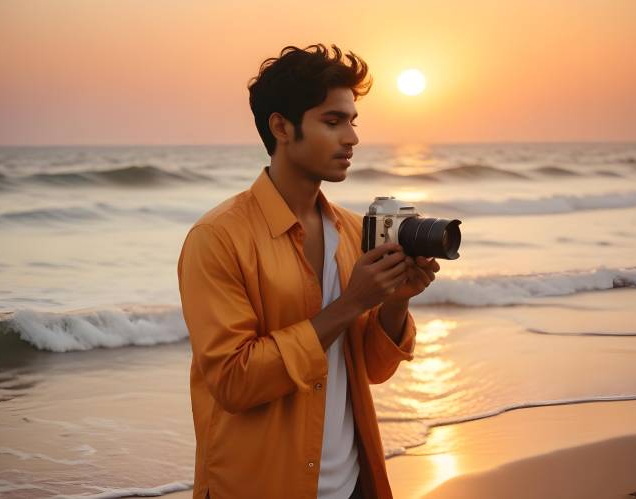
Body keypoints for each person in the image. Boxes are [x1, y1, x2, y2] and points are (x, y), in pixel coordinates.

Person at [177, 43, 440, 499]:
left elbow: (370, 370)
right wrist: (353, 302)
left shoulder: (356, 230)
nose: (352, 138)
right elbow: (234, 382)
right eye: (333, 122)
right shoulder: (218, 238)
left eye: (353, 121)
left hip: (355, 485)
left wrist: (396, 301)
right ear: (281, 126)